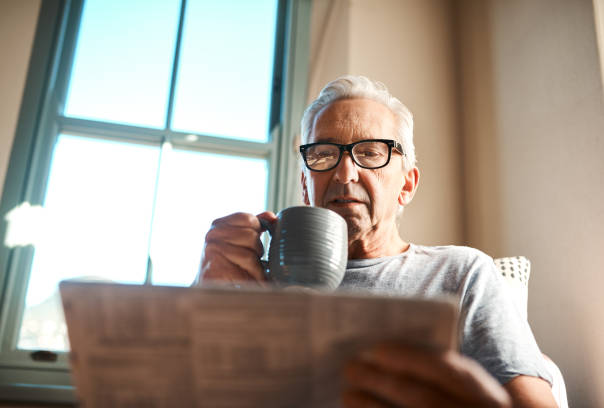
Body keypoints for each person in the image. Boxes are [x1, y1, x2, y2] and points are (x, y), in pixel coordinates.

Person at [196, 75, 558, 407]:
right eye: (323, 154)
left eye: (370, 152)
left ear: (407, 184)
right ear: (306, 186)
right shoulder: (250, 282)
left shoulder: (461, 273)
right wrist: (205, 299)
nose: (344, 172)